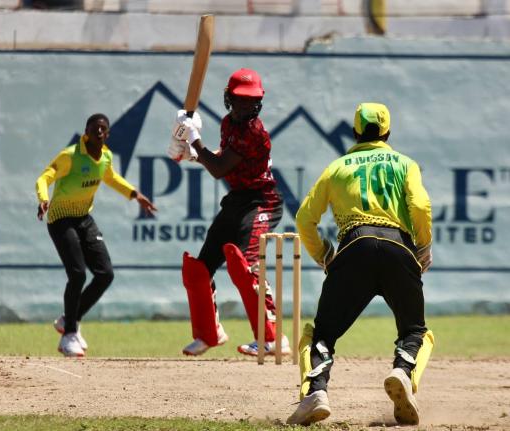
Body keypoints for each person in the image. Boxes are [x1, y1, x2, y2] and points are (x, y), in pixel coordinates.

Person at [287, 103, 434, 426]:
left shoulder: (337, 167)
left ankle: (315, 391)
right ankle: (403, 372)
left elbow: (304, 219)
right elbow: (420, 204)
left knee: (321, 335)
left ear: (355, 132)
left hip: (354, 246)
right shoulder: (404, 163)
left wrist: (325, 254)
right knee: (416, 332)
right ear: (387, 133)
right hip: (399, 247)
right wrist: (422, 247)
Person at [167, 68, 289, 357]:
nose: (246, 106)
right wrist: (192, 154)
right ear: (228, 99)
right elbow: (224, 161)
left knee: (246, 266)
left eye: (251, 100)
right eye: (240, 100)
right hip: (237, 201)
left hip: (263, 202)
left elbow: (220, 170)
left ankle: (273, 338)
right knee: (200, 269)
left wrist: (195, 138)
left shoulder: (255, 131)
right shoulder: (228, 124)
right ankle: (208, 334)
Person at [36, 113, 157, 357]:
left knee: (105, 274)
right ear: (86, 132)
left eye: (103, 129)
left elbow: (110, 177)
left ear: (108, 134)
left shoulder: (106, 157)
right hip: (60, 218)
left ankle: (69, 320)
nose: (99, 132)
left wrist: (135, 194)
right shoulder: (70, 156)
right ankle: (69, 334)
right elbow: (45, 177)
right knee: (78, 274)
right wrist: (43, 199)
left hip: (83, 218)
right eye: (95, 128)